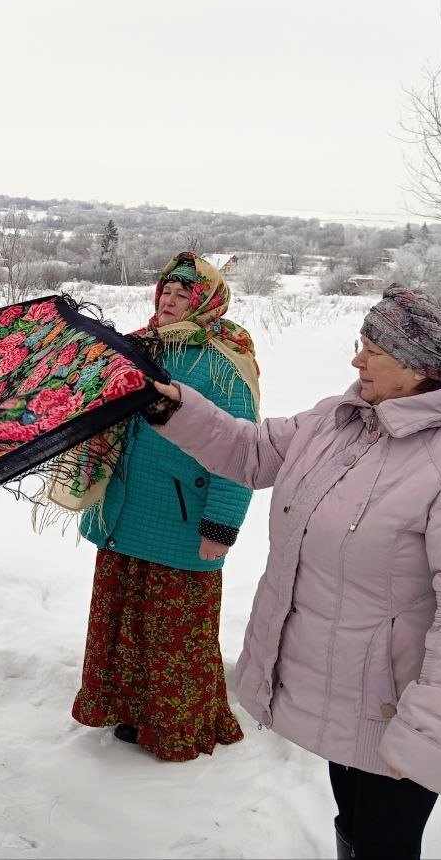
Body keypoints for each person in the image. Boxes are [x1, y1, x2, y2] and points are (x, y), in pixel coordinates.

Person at [146, 285, 441, 859]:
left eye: (373, 348)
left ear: (421, 365)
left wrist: (429, 735)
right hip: (341, 694)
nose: (357, 359)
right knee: (352, 825)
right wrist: (170, 406)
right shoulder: (340, 421)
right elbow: (250, 453)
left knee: (384, 844)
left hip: (399, 714)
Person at [70, 252, 261, 761]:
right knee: (127, 623)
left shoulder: (224, 364)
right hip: (124, 513)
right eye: (166, 292)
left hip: (181, 522)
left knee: (175, 635)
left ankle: (180, 727)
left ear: (207, 301)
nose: (171, 300)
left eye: (184, 293)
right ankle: (132, 712)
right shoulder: (134, 348)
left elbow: (240, 450)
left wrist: (220, 525)